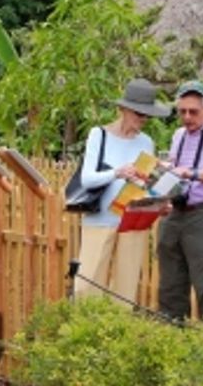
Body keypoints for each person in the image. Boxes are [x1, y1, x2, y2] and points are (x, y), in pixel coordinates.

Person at [74, 78, 172, 305]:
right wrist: (117, 173)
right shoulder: (99, 135)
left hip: (132, 222)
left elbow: (143, 185)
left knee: (124, 293)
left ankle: (118, 337)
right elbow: (87, 179)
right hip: (100, 220)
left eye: (148, 115)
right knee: (86, 288)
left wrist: (159, 201)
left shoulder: (146, 142)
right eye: (139, 114)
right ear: (123, 109)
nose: (144, 119)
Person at [156, 80, 203, 326]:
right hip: (175, 213)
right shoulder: (178, 135)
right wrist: (162, 193)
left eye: (193, 111)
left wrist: (190, 173)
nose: (187, 117)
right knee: (170, 281)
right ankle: (172, 336)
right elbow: (173, 173)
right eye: (182, 111)